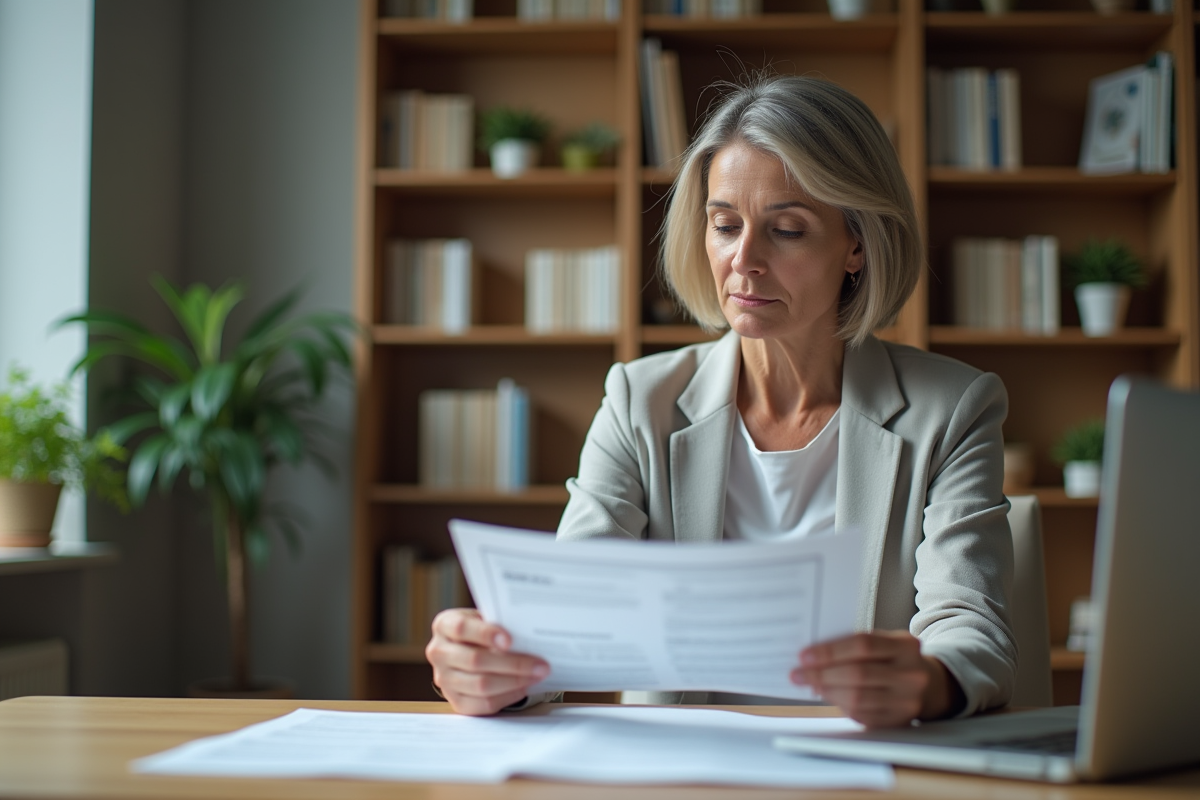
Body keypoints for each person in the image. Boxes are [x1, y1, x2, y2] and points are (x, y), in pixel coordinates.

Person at [426, 75, 1016, 728]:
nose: (744, 259)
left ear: (856, 243)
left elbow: (969, 623)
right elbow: (570, 616)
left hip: (862, 768)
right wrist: (493, 670)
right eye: (725, 224)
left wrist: (931, 681)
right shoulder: (638, 400)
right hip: (682, 773)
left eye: (786, 229)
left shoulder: (955, 407)